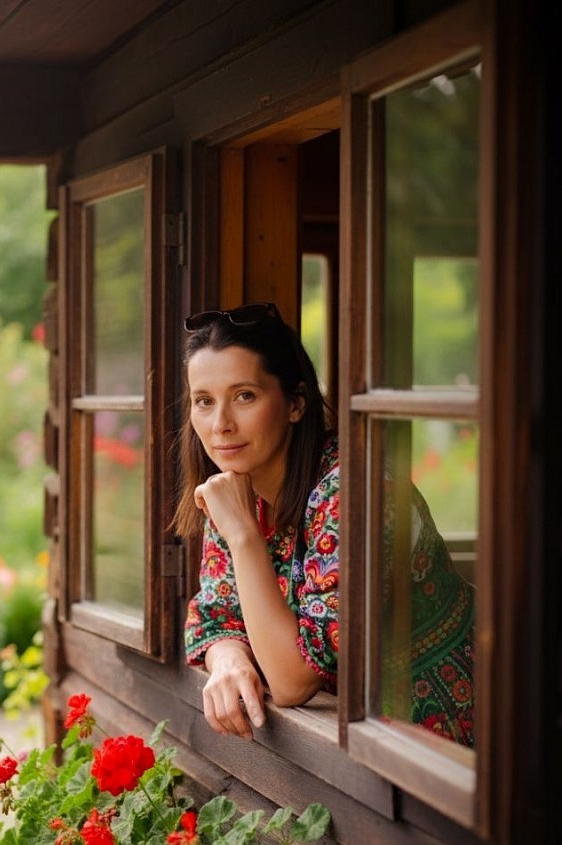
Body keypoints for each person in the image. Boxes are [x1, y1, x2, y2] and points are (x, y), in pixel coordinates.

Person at [173, 301, 474, 747]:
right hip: (348, 743)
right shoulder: (236, 488)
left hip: (444, 742)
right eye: (204, 401)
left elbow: (292, 681)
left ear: (295, 403)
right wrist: (229, 659)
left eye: (244, 396)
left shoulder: (357, 491)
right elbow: (216, 618)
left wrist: (242, 535)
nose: (220, 424)